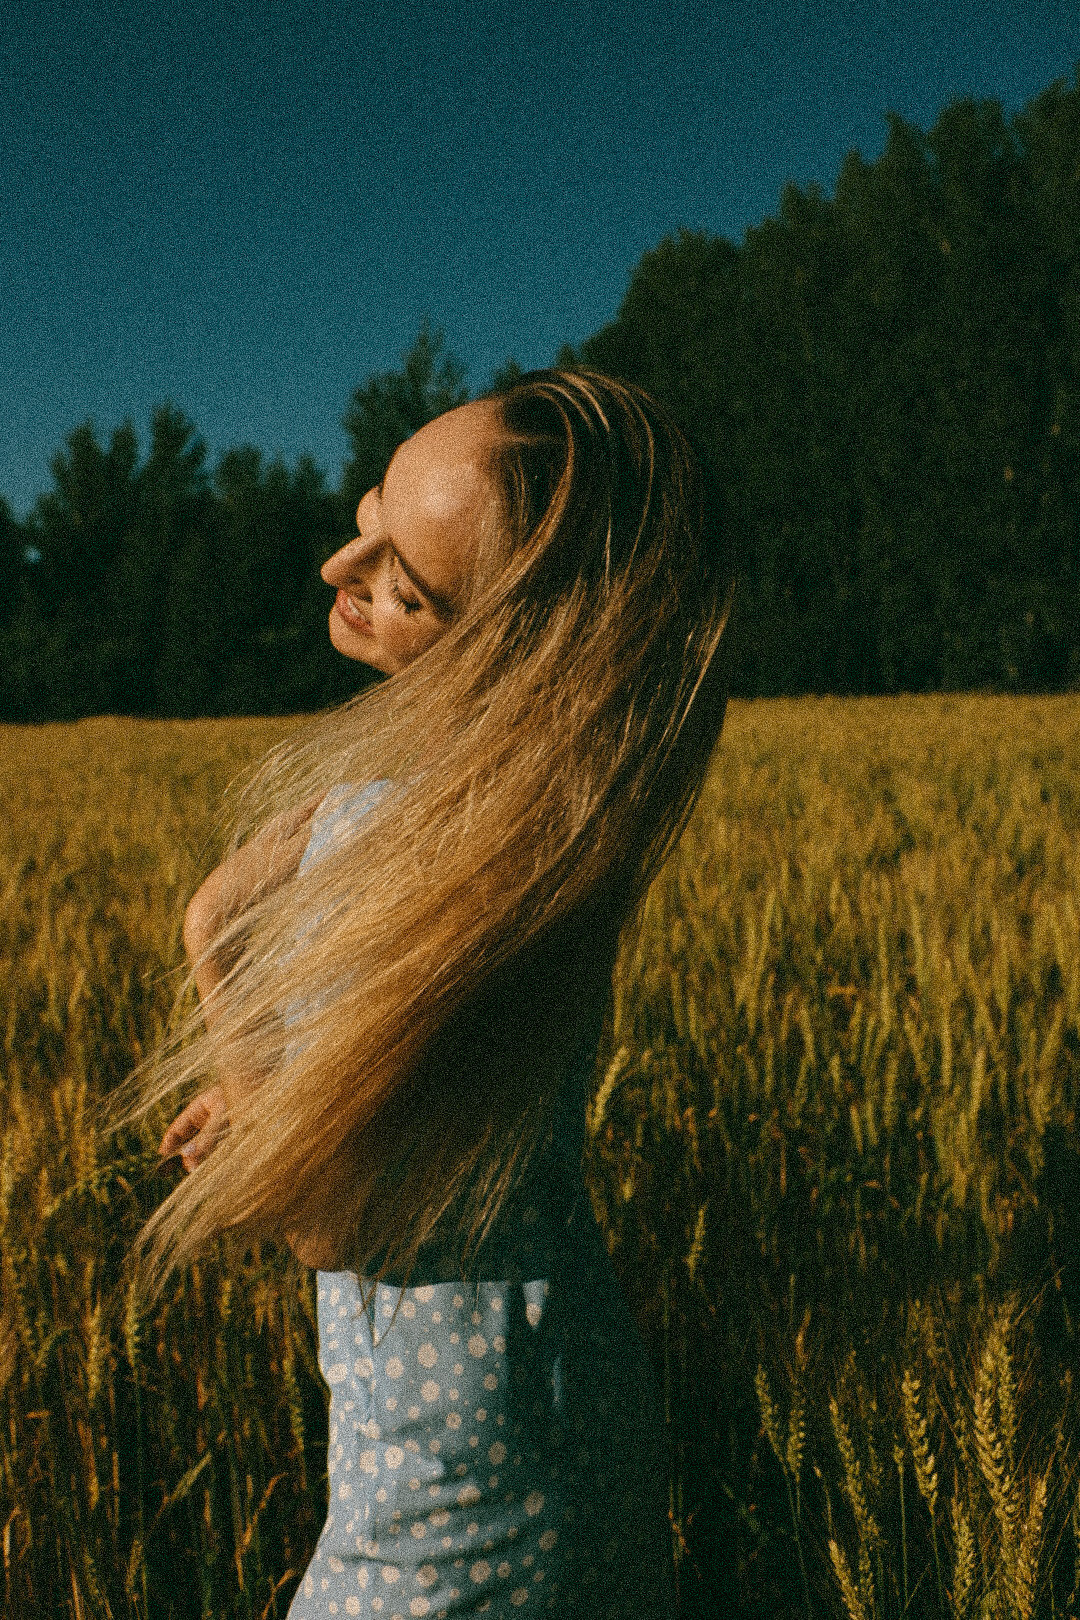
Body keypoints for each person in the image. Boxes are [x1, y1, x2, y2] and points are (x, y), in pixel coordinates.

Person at [146, 369, 736, 1618]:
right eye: (372, 503)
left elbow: (326, 1219)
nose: (338, 565)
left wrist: (216, 945)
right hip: (570, 1420)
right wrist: (269, 1093)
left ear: (511, 653)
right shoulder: (548, 822)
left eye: (402, 579)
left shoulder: (389, 835)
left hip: (446, 1494)